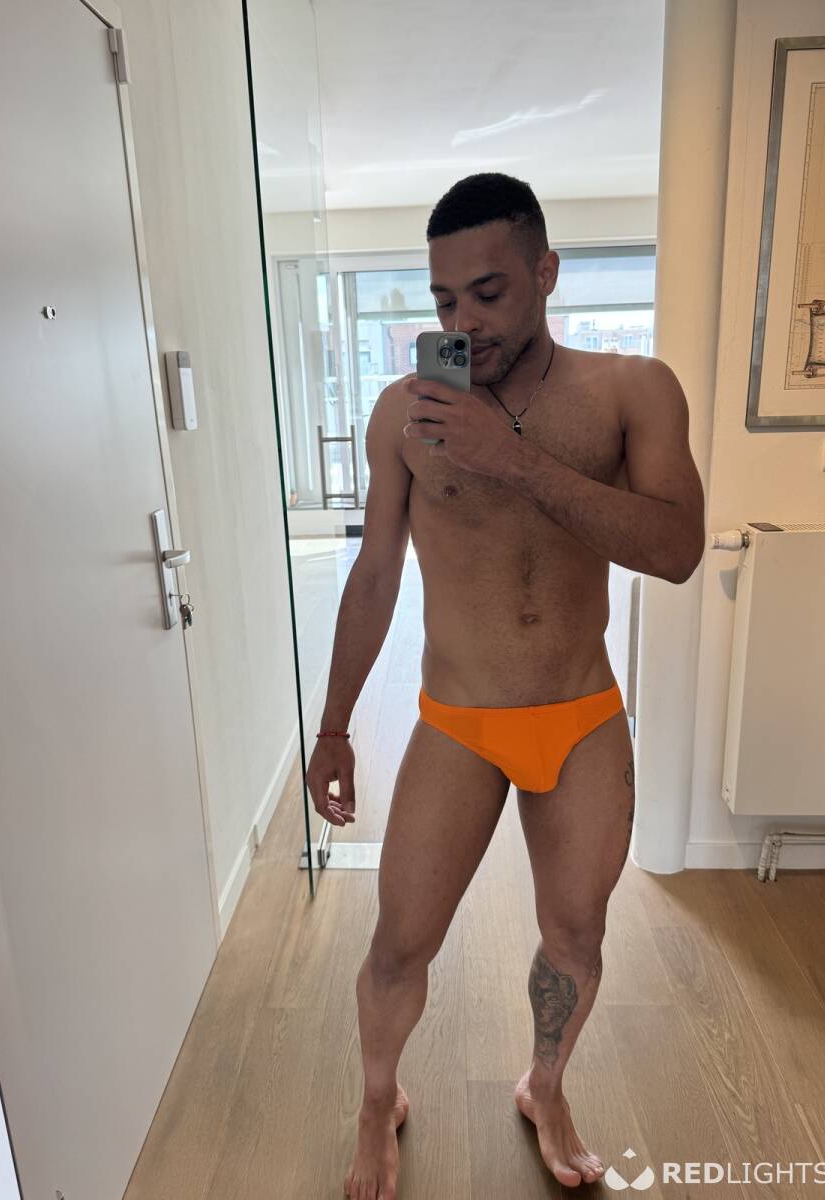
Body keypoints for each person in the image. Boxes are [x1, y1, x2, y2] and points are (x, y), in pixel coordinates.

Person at [305, 172, 705, 1199]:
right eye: (444, 300)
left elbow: (676, 549)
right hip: (458, 720)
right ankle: (378, 1101)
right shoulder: (403, 415)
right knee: (400, 943)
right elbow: (376, 572)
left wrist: (515, 459)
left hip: (582, 716)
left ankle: (545, 1085)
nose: (463, 322)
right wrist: (335, 724)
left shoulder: (631, 392)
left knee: (576, 936)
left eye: (487, 293)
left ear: (546, 272)